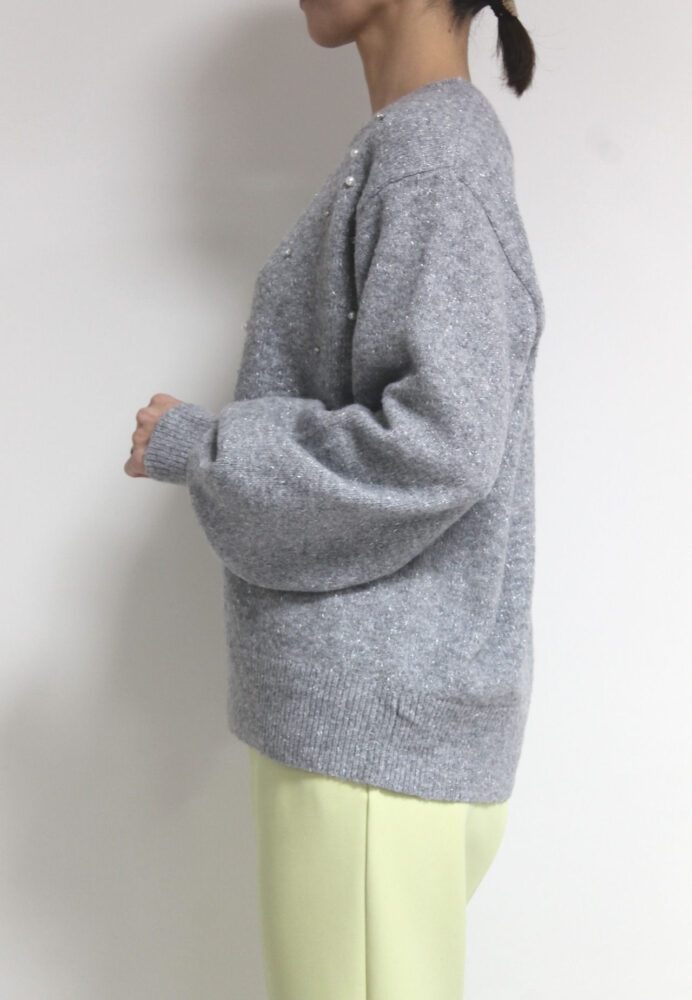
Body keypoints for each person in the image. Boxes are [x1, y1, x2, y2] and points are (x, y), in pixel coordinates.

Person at [125, 1, 544, 996]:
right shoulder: (417, 151)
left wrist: (209, 445)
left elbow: (442, 444)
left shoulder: (431, 162)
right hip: (373, 740)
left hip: (371, 748)